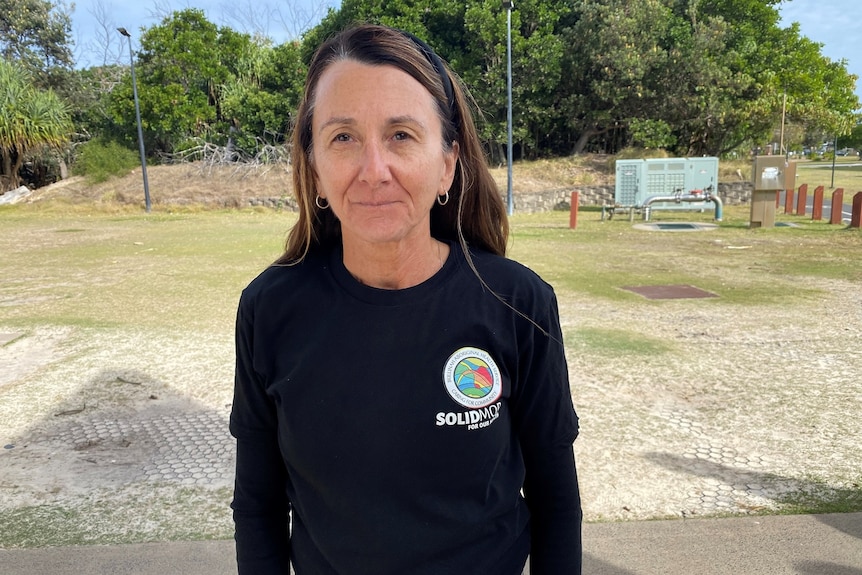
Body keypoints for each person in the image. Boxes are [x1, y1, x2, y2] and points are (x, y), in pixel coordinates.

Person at [230, 23, 582, 575]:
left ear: (447, 164)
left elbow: (556, 502)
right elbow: (258, 505)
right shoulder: (269, 310)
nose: (374, 171)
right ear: (316, 169)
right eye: (343, 137)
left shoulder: (517, 301)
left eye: (401, 135)